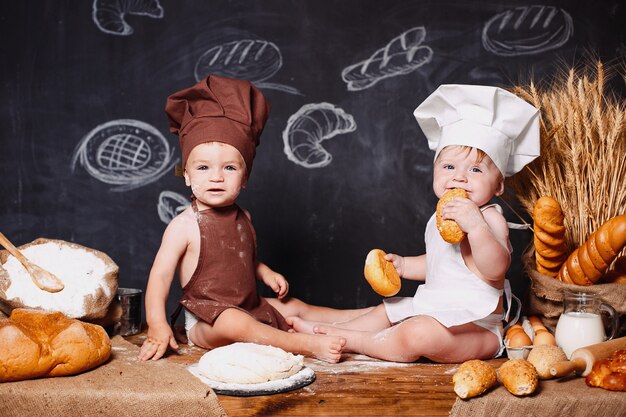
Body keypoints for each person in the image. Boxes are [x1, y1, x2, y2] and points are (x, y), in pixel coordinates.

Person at [288, 84, 540, 363]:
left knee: (417, 334)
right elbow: (439, 262)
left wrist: (476, 227)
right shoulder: (440, 216)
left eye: (476, 170)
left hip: (477, 329)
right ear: (434, 170)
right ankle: (332, 331)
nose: (459, 177)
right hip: (435, 310)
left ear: (499, 184)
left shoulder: (490, 218)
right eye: (448, 167)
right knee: (388, 310)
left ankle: (354, 341)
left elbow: (494, 269)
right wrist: (405, 266)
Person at [138, 75, 350, 362]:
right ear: (187, 176)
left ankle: (370, 320)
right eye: (202, 167)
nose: (215, 177)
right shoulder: (183, 226)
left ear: (245, 177)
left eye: (228, 167)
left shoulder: (243, 217)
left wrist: (265, 272)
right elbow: (160, 277)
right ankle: (302, 344)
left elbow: (240, 259)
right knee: (235, 324)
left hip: (249, 306)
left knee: (294, 307)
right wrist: (157, 324)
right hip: (207, 321)